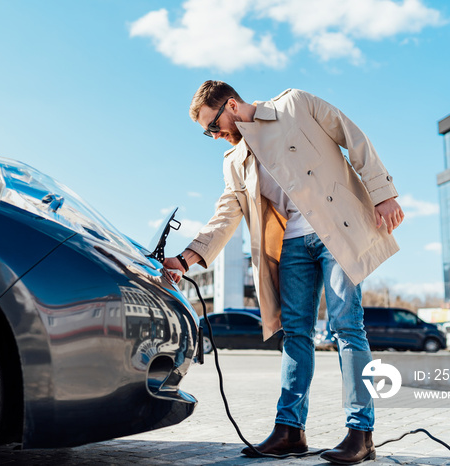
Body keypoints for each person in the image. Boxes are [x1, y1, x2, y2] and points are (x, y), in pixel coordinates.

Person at [163, 81, 403, 464]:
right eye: (208, 132)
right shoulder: (234, 161)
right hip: (290, 246)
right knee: (295, 334)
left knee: (346, 325)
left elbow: (351, 136)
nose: (214, 136)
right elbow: (226, 214)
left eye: (213, 126)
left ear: (231, 105)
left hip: (334, 230)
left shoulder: (294, 104)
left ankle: (361, 433)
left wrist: (383, 192)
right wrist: (188, 258)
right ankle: (290, 430)